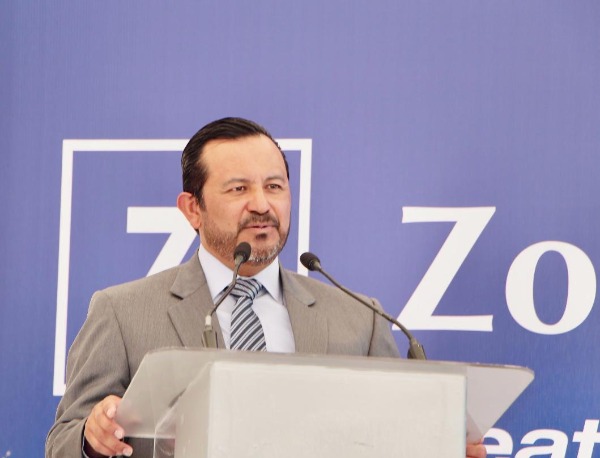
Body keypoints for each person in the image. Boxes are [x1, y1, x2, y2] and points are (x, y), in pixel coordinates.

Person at [46, 117, 486, 458]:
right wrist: (91, 437)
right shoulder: (122, 313)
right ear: (192, 209)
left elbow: (395, 436)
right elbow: (61, 442)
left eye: (274, 186)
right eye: (238, 188)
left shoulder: (360, 320)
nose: (261, 204)